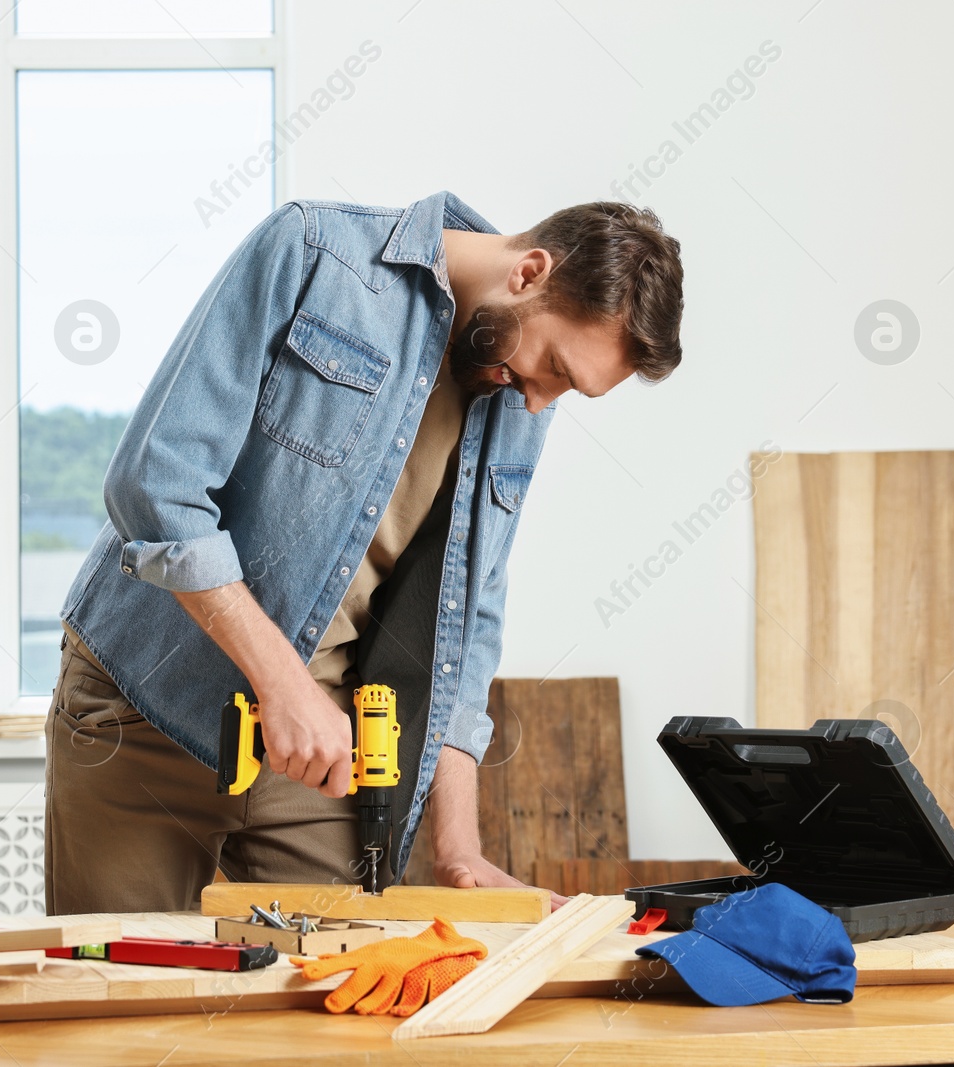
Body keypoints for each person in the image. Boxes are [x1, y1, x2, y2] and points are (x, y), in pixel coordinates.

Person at [44, 190, 683, 914]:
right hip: (150, 701)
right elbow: (155, 486)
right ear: (530, 272)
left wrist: (458, 843)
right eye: (558, 368)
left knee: (337, 994)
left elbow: (468, 622)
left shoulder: (518, 394)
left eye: (569, 391)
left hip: (320, 745)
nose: (541, 402)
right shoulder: (314, 254)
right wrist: (282, 683)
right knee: (125, 998)